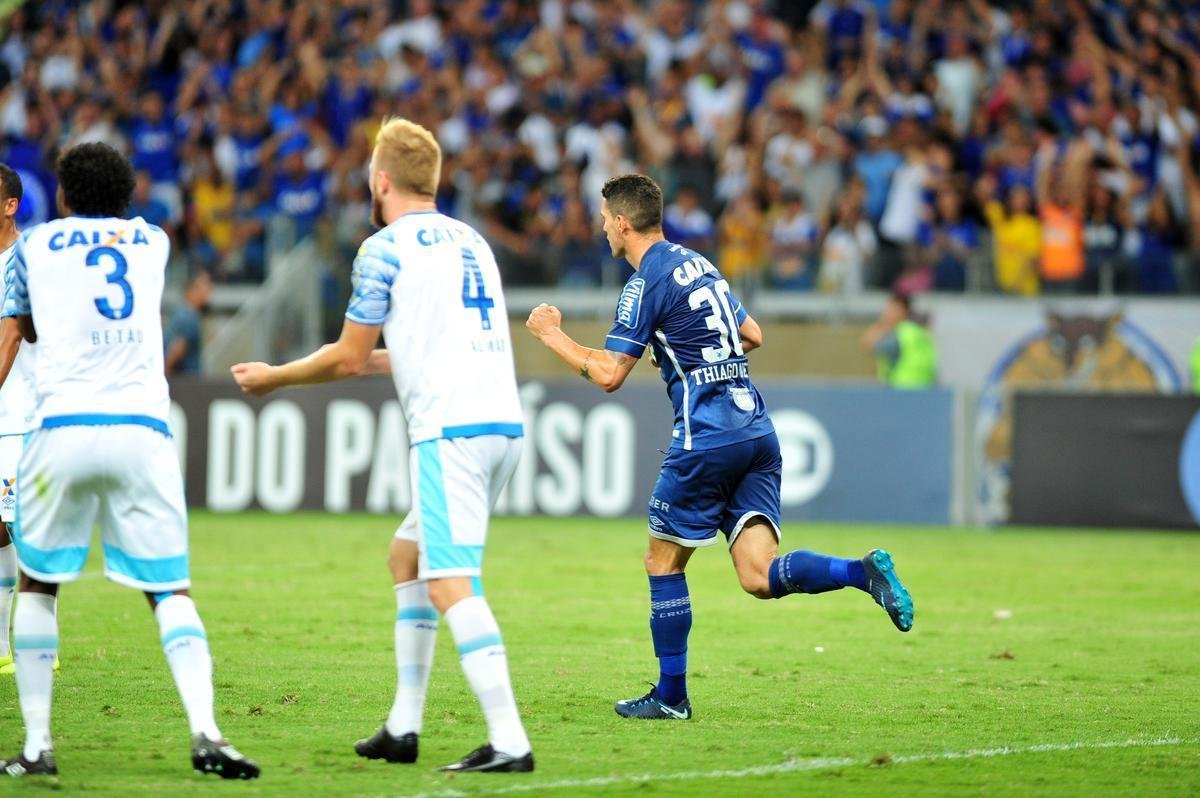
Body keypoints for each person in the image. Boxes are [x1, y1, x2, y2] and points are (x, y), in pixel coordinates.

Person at [525, 174, 914, 721]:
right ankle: (861, 572)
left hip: (705, 438)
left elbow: (610, 373)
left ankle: (671, 697)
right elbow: (752, 335)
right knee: (758, 575)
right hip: (756, 431)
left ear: (622, 223)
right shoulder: (697, 263)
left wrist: (551, 334)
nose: (601, 226)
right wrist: (682, 349)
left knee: (662, 563)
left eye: (604, 218)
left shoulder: (644, 281)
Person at [231, 118, 533, 772]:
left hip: (451, 431)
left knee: (449, 582)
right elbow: (408, 349)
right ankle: (403, 727)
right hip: (501, 425)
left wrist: (275, 378)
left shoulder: (384, 248)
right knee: (408, 557)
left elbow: (346, 356)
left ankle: (510, 739)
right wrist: (357, 360)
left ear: (382, 179)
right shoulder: (472, 241)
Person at [0, 143, 259, 779]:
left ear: (62, 197)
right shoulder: (153, 243)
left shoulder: (33, 248)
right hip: (142, 429)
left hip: (60, 428)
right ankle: (207, 733)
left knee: (37, 583)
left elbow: (20, 332)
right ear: (127, 197)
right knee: (169, 589)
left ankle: (36, 747)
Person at [0, 163, 33, 678]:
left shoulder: (25, 260)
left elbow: (10, 340)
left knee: (20, 528)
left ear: (9, 205)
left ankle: (36, 642)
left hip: (22, 413)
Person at [861, 291, 938, 389]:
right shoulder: (920, 331)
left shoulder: (899, 335)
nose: (886, 312)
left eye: (889, 309)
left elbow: (869, 344)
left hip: (902, 390)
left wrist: (883, 323)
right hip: (926, 389)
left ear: (901, 310)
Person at [164, 270, 212, 376]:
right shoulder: (188, 316)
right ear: (192, 289)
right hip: (186, 381)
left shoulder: (181, 312)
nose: (208, 292)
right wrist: (165, 374)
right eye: (204, 287)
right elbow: (177, 349)